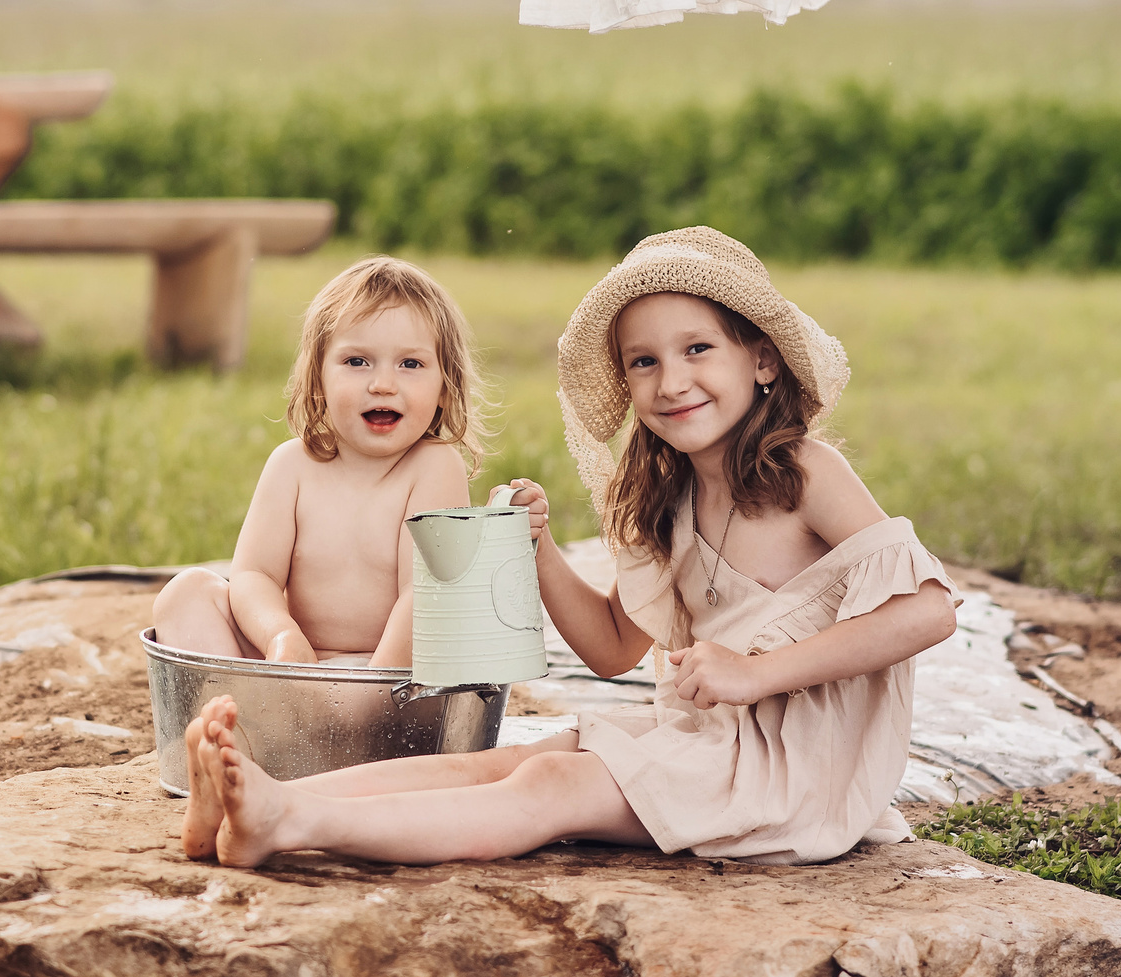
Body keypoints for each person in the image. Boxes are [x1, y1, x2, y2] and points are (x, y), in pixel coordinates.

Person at [188, 226, 959, 869]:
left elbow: (928, 612)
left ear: (761, 360)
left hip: (791, 773)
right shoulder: (675, 498)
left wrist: (757, 672)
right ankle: (256, 795)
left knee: (552, 782)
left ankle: (295, 821)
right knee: (505, 760)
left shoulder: (804, 473)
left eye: (698, 349)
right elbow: (614, 648)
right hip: (709, 742)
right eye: (644, 361)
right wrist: (540, 549)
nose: (671, 380)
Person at [155, 255, 480, 854]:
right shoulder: (293, 465)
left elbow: (425, 594)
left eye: (411, 364)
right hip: (288, 676)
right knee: (186, 593)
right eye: (357, 361)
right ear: (318, 378)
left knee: (377, 673)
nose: (383, 383)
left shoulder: (435, 466)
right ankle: (231, 762)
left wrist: (366, 691)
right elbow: (253, 574)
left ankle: (238, 763)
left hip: (383, 686)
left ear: (443, 385)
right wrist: (280, 638)